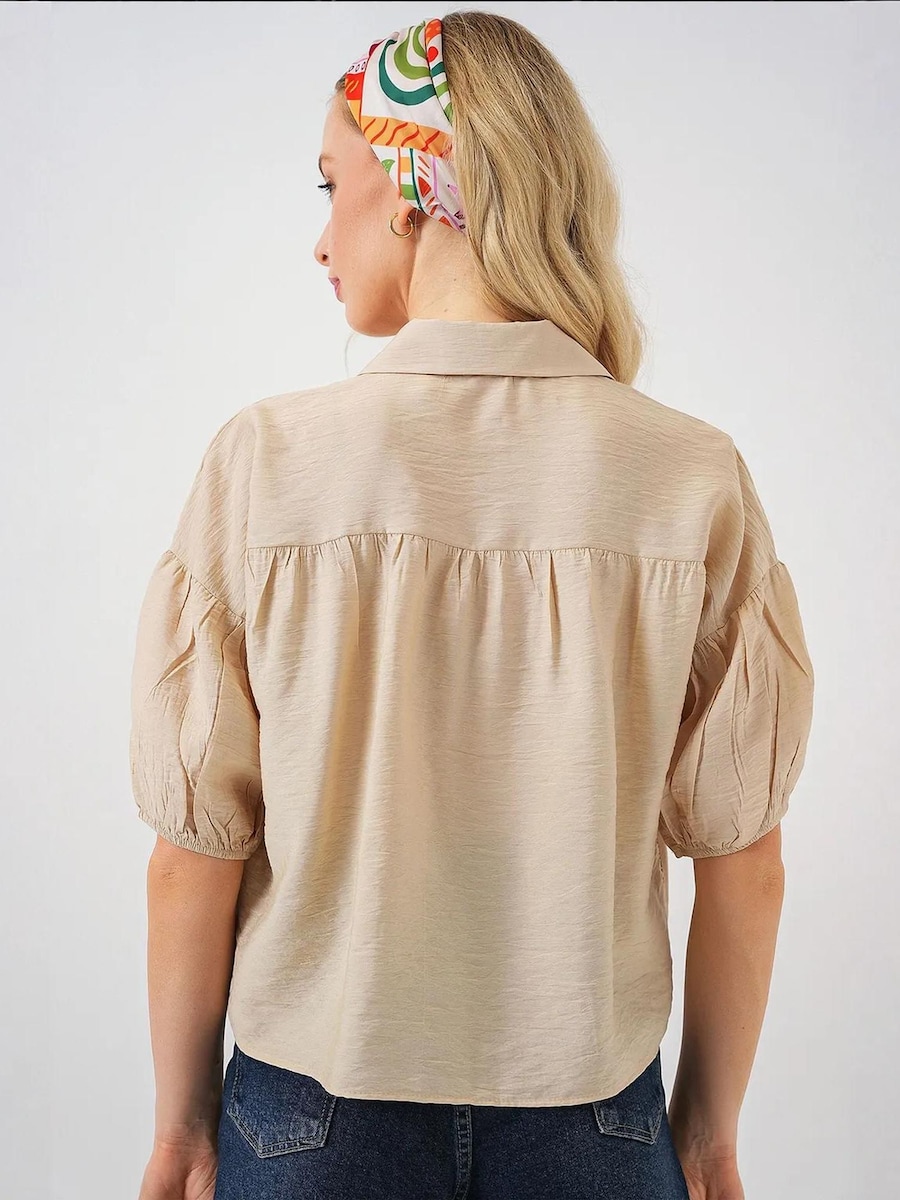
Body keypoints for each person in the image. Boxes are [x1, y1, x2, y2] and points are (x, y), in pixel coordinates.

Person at [131, 11, 815, 1200]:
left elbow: (193, 858)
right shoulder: (688, 475)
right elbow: (744, 859)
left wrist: (184, 1129)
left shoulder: (267, 463)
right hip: (595, 1124)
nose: (320, 238)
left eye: (331, 183)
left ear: (412, 189)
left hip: (311, 1120)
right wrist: (705, 1138)